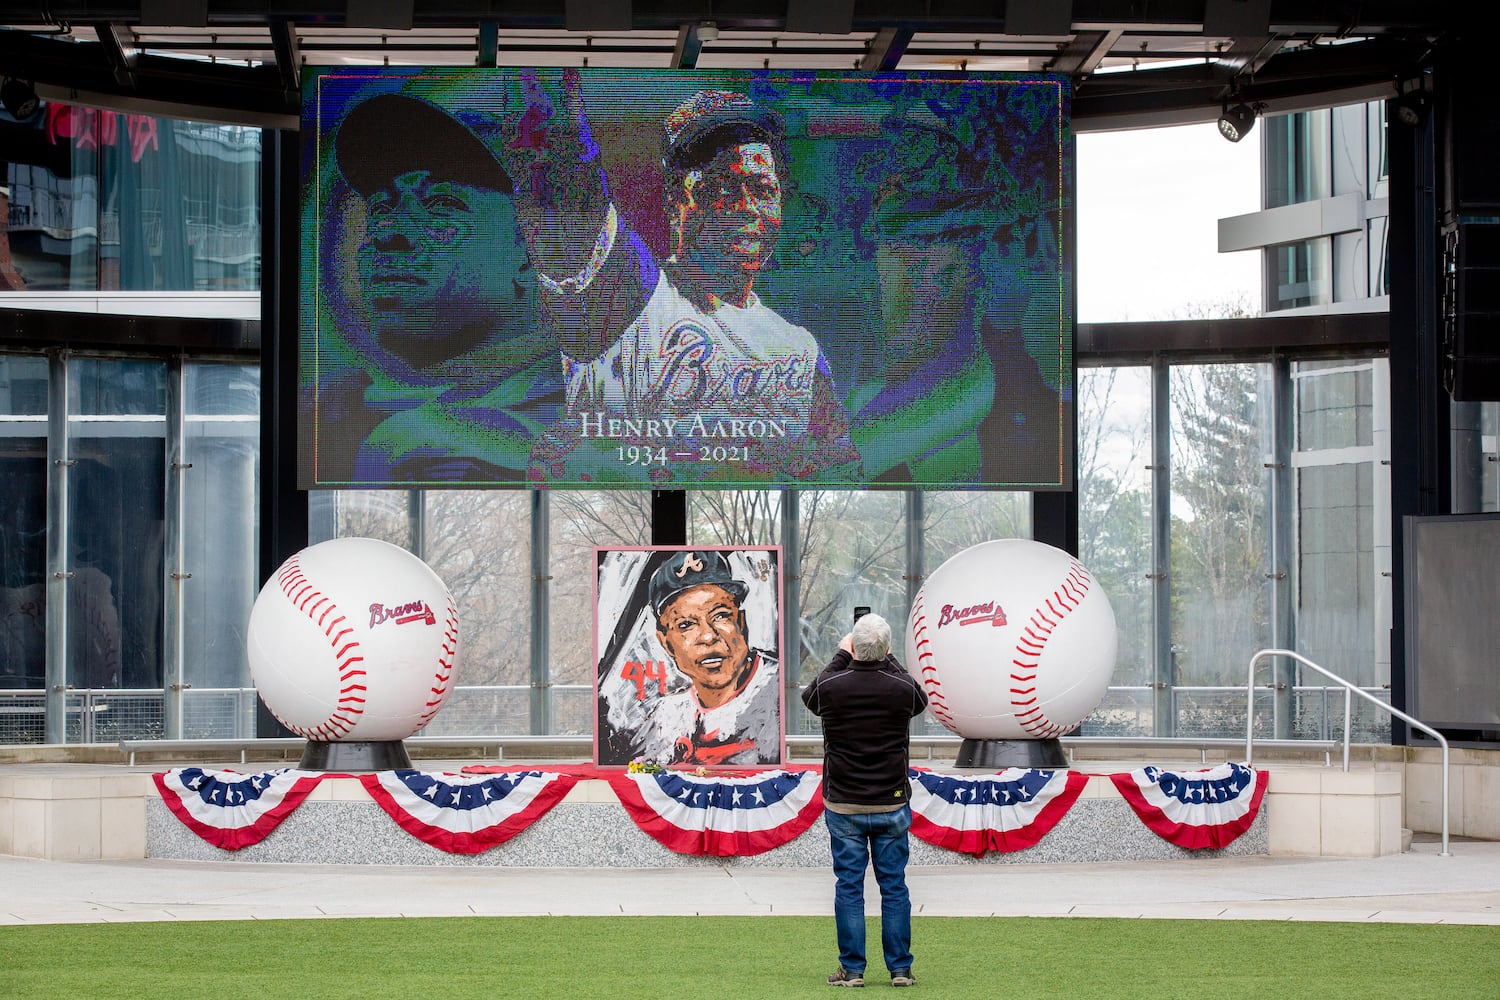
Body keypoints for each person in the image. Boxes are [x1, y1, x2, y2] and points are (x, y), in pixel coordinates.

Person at [498, 73, 861, 484]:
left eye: (762, 188)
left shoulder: (800, 347)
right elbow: (568, 205)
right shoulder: (630, 293)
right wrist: (556, 132)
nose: (745, 207)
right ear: (676, 201)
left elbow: (843, 466)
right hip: (614, 517)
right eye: (719, 187)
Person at [311, 87, 562, 483]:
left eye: (441, 205)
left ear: (530, 255)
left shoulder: (600, 405)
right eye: (380, 208)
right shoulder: (324, 409)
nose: (389, 232)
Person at [800, 612, 928, 989]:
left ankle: (852, 970)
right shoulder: (900, 687)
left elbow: (811, 693)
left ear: (852, 647)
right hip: (891, 804)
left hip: (844, 805)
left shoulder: (832, 685)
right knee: (894, 887)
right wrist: (884, 654)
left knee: (849, 887)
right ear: (887, 650)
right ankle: (900, 969)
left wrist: (843, 654)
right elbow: (916, 692)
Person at [628, 549, 780, 766]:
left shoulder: (777, 690)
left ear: (742, 622)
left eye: (720, 616)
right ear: (666, 643)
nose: (708, 636)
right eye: (686, 625)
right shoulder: (667, 716)